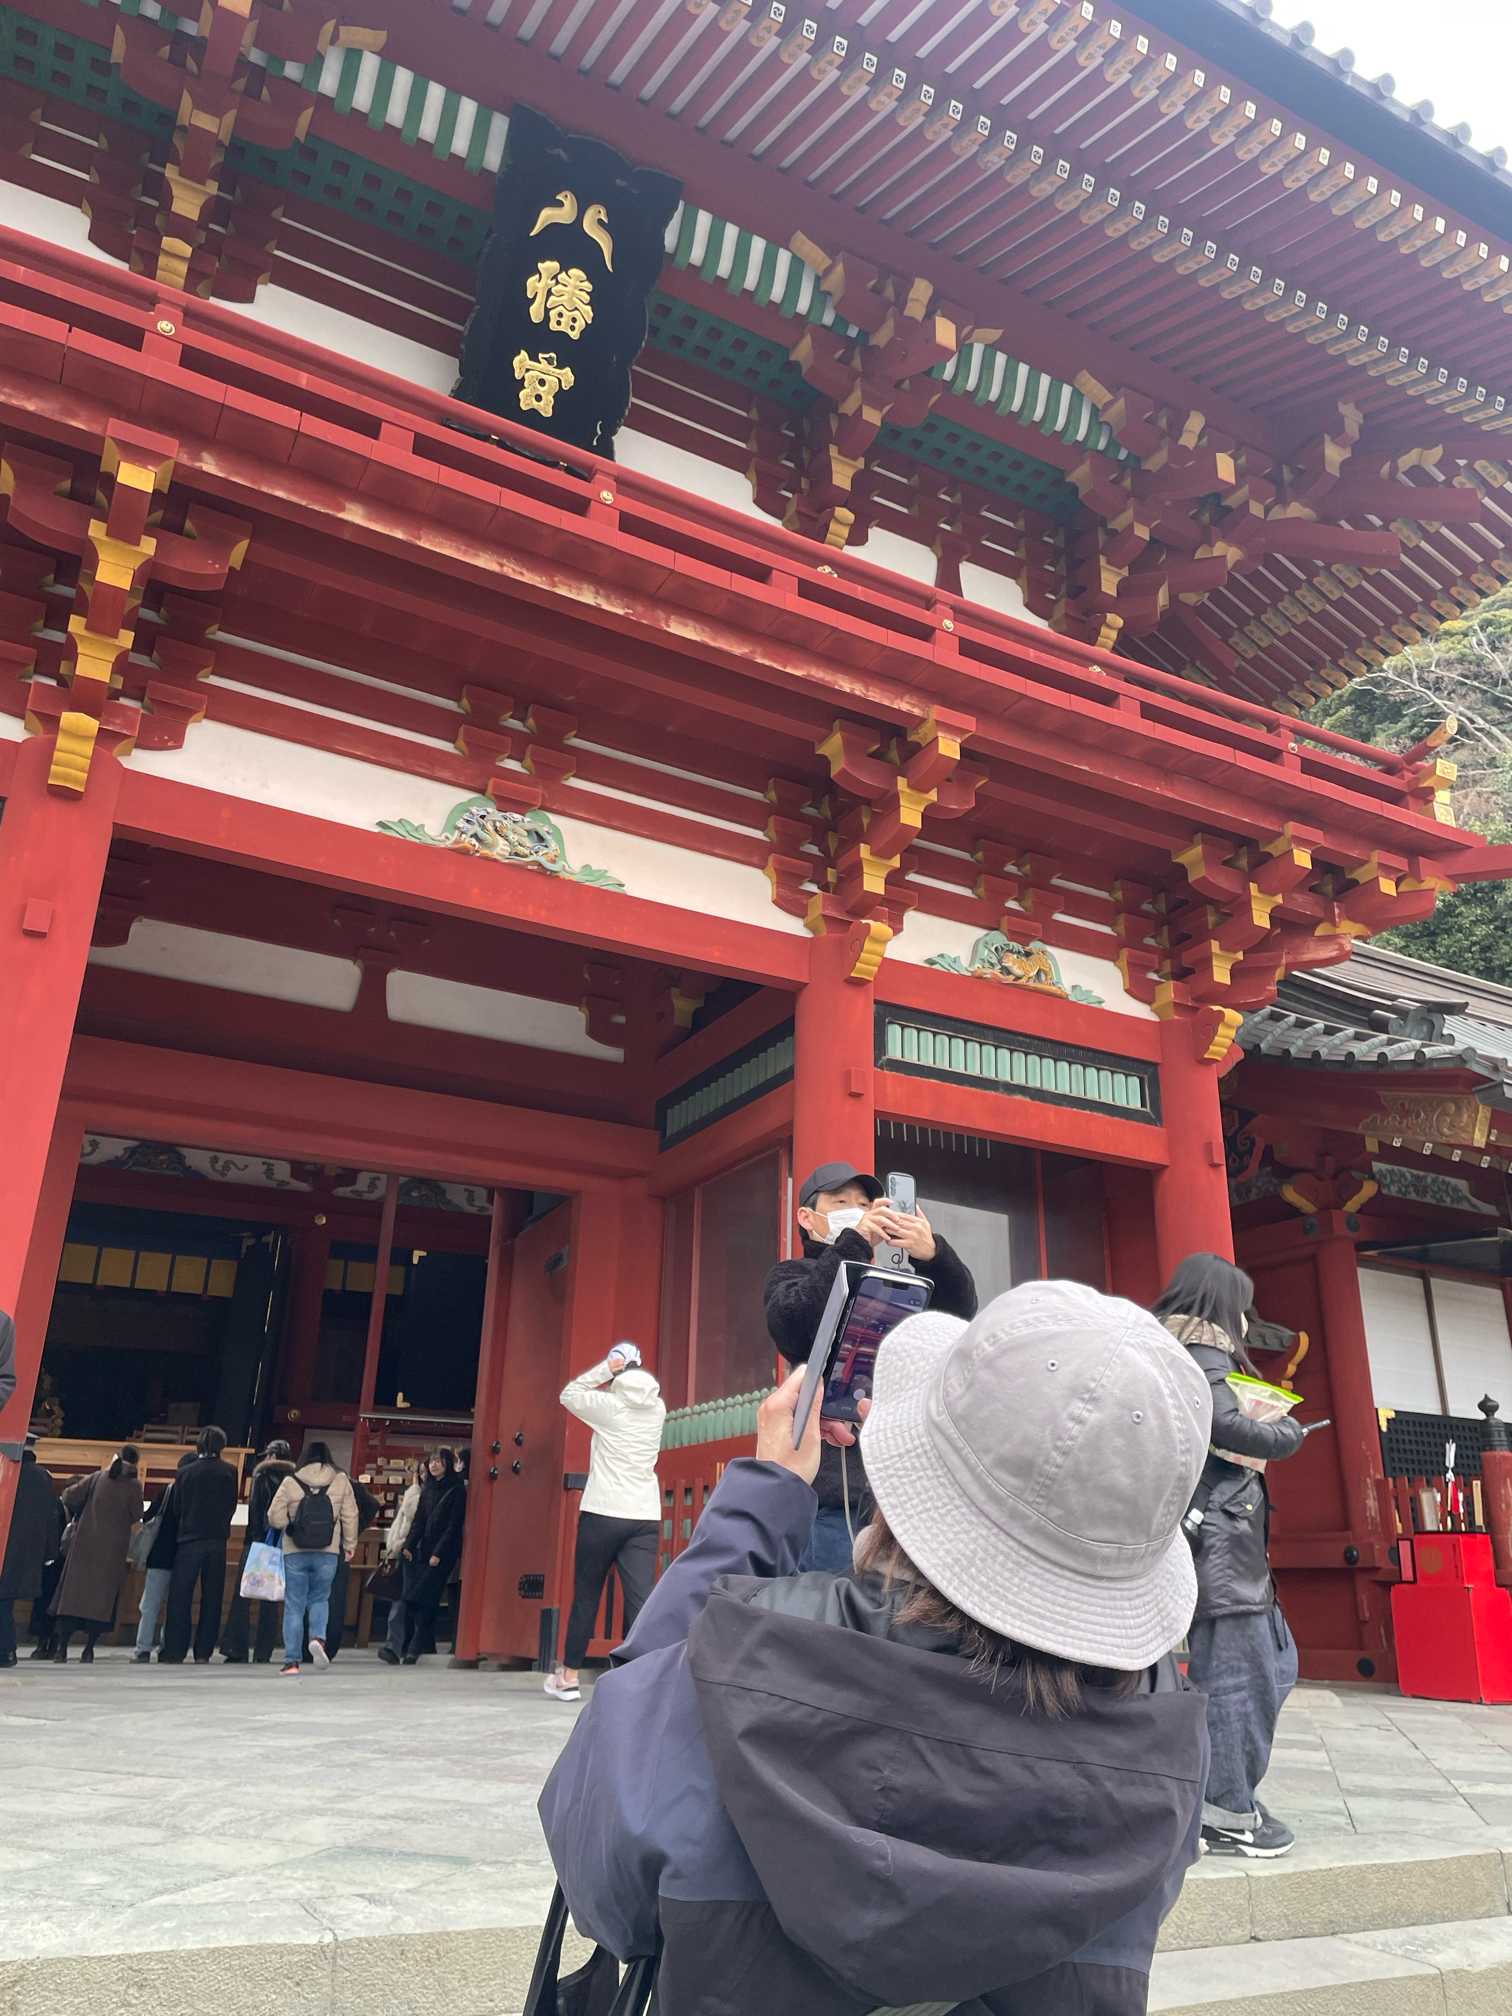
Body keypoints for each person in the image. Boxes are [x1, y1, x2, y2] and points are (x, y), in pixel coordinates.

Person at [539, 1281, 1213, 2012]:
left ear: (909, 1471)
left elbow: (602, 1865)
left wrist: (760, 1500)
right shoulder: (1164, 1736)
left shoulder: (746, 1656)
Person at [1154, 1252, 1306, 1860]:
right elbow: (1223, 1423)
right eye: (1244, 1307)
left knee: (1272, 1661)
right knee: (1242, 1677)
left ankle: (1216, 1792)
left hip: (1213, 1530)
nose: (1246, 1321)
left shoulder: (1165, 1346)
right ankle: (1225, 1810)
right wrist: (1285, 1434)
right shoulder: (1203, 1346)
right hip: (1220, 1533)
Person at [763, 1160, 977, 1571]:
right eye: (840, 1202)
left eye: (864, 1204)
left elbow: (956, 1317)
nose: (857, 1211)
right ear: (806, 1217)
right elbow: (796, 1324)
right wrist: (855, 1240)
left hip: (893, 1500)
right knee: (826, 1599)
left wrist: (933, 1256)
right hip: (826, 1491)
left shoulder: (889, 1282)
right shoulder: (790, 1274)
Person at [546, 1344, 666, 1703]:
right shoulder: (658, 1407)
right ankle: (641, 1678)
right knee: (640, 1599)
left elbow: (569, 1394)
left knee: (587, 1594)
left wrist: (604, 1369)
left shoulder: (609, 1407)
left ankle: (569, 1676)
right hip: (644, 1514)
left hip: (603, 1510)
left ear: (618, 1370)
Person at [267, 1439, 359, 1676]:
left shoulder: (291, 1480)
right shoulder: (340, 1480)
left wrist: (289, 1526)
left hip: (295, 1551)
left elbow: (273, 1516)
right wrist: (350, 1545)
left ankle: (291, 1661)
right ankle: (318, 1638)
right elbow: (351, 1515)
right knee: (320, 1598)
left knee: (294, 1605)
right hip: (328, 1551)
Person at [50, 1445, 145, 1662]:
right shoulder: (134, 1486)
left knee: (72, 1599)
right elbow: (137, 1514)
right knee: (101, 1602)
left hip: (84, 1546)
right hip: (112, 1552)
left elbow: (69, 1496)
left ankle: (61, 1650)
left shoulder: (98, 1477)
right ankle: (89, 1650)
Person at [159, 1425, 240, 1664]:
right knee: (212, 1597)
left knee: (180, 1596)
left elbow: (177, 1507)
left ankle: (175, 1650)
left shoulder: (185, 1472)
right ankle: (203, 1651)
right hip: (217, 1540)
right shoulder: (230, 1471)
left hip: (189, 1539)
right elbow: (231, 1505)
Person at [380, 1446, 466, 1666]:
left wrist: (439, 1552)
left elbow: (453, 1526)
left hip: (442, 1553)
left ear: (447, 1463)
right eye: (431, 1461)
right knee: (420, 1598)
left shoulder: (457, 1489)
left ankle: (415, 1647)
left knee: (423, 1597)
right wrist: (408, 1545)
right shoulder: (427, 1489)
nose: (433, 1465)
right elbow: (419, 1520)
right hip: (421, 1551)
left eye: (438, 1461)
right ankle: (420, 1645)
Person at [219, 1439, 295, 1664]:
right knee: (271, 1598)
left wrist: (255, 1538)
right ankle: (264, 1651)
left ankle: (236, 1648)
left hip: (257, 1543)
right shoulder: (294, 1480)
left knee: (243, 1596)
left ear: (272, 1456)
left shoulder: (262, 1476)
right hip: (281, 1545)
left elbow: (256, 1512)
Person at [0, 1439, 62, 1665]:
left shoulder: (6, 1471)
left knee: (3, 1601)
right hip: (26, 1551)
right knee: (5, 1600)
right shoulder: (42, 1477)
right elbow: (51, 1517)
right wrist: (50, 1552)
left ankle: (6, 1650)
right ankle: (7, 1651)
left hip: (4, 1544)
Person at [133, 1450, 195, 1663]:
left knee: (150, 1606)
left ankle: (142, 1648)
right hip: (184, 1557)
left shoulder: (167, 1491)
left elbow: (148, 1516)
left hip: (160, 1554)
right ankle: (166, 1646)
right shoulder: (195, 1495)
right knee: (175, 1607)